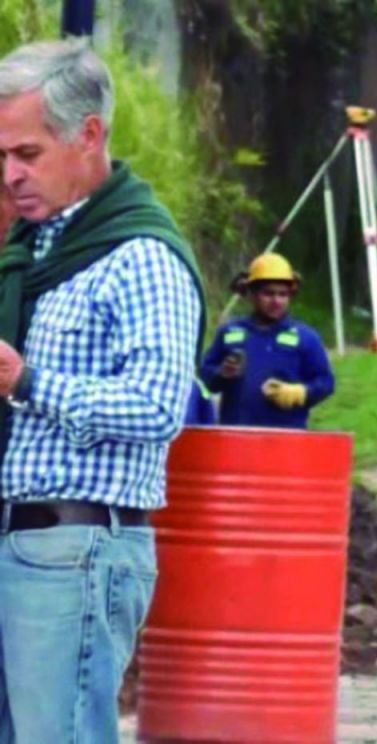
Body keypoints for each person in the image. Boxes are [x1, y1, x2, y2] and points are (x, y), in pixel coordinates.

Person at [0, 39, 204, 742]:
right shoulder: (31, 253)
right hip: (17, 543)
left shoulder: (139, 257)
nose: (11, 175)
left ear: (89, 135)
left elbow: (157, 405)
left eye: (27, 154)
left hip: (75, 550)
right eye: (1, 158)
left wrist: (26, 380)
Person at [200, 253, 334, 429]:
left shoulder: (306, 337)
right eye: (268, 293)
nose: (276, 301)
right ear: (252, 294)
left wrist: (300, 393)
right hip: (236, 438)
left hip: (286, 441)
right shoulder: (230, 332)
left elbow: (325, 382)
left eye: (283, 294)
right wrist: (221, 373)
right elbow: (204, 377)